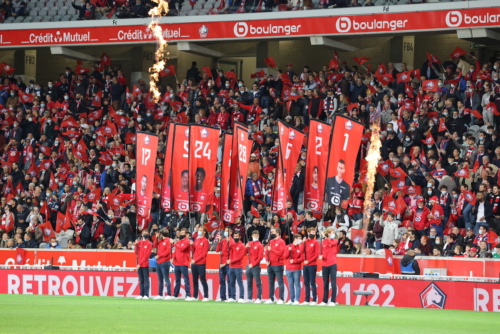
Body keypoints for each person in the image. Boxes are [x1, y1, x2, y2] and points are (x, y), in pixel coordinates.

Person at [265, 226, 285, 304]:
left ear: (277, 233)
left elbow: (281, 253)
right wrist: (267, 260)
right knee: (270, 282)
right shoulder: (270, 242)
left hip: (278, 264)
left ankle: (281, 298)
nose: (271, 233)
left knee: (280, 281)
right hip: (270, 264)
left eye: (273, 232)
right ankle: (271, 298)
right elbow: (267, 252)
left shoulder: (281, 242)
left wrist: (272, 250)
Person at [319, 228, 339, 306]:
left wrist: (324, 237)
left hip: (332, 264)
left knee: (333, 283)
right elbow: (323, 251)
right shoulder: (323, 242)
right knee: (325, 283)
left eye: (333, 232)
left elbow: (331, 243)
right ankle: (324, 300)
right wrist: (322, 256)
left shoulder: (335, 241)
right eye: (331, 232)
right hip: (325, 264)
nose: (333, 234)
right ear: (328, 233)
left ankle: (333, 301)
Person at [191, 225, 210, 301]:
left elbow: (204, 253)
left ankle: (206, 296)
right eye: (199, 229)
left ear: (204, 232)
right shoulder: (196, 240)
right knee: (194, 280)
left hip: (201, 263)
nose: (199, 231)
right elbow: (193, 250)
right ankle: (195, 296)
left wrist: (195, 260)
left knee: (203, 279)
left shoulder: (205, 241)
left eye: (201, 230)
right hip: (194, 263)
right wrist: (191, 245)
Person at [173, 228, 192, 300]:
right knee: (177, 280)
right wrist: (173, 258)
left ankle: (188, 295)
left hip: (184, 263)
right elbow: (176, 251)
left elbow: (182, 249)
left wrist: (174, 244)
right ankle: (175, 295)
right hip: (177, 263)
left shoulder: (187, 241)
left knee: (186, 279)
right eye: (181, 233)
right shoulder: (178, 242)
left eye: (183, 233)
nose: (181, 234)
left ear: (186, 234)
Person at [302, 227, 319, 305]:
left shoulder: (315, 242)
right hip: (305, 265)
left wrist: (309, 261)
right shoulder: (305, 242)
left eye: (314, 232)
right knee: (306, 282)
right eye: (312, 232)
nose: (313, 234)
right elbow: (301, 251)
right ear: (308, 233)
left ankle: (314, 299)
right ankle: (307, 299)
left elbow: (316, 254)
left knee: (312, 282)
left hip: (312, 264)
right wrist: (303, 242)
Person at [285, 233, 304, 305]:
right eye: (299, 239)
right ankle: (291, 299)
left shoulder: (301, 247)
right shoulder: (288, 246)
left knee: (297, 284)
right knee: (290, 285)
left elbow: (302, 258)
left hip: (297, 268)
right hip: (288, 268)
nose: (300, 240)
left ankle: (297, 299)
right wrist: (289, 251)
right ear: (295, 239)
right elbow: (285, 256)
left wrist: (295, 261)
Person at [246, 230, 264, 303]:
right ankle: (249, 298)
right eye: (254, 235)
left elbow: (260, 257)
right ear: (252, 236)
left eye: (257, 235)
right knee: (249, 283)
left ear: (258, 236)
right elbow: (244, 253)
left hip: (255, 266)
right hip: (248, 265)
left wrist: (253, 264)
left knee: (258, 282)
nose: (256, 236)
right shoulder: (249, 243)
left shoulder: (260, 245)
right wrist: (245, 247)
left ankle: (258, 298)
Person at [227, 231, 245, 303]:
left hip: (238, 267)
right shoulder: (232, 244)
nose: (236, 238)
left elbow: (240, 257)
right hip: (231, 267)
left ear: (240, 237)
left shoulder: (242, 245)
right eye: (234, 236)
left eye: (237, 236)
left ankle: (241, 297)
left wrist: (231, 261)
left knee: (239, 282)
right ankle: (232, 297)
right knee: (231, 282)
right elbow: (226, 249)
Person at [155, 229, 173, 300]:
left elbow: (168, 251)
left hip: (165, 261)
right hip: (159, 262)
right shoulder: (160, 241)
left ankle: (169, 294)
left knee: (166, 278)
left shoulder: (168, 240)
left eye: (159, 234)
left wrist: (160, 255)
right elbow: (154, 245)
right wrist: (156, 238)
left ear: (162, 234)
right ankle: (160, 294)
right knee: (160, 279)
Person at [216, 226, 232, 302]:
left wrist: (225, 263)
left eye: (227, 231)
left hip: (228, 263)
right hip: (221, 262)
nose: (225, 232)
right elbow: (217, 250)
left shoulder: (232, 241)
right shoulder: (222, 241)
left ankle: (230, 297)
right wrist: (219, 242)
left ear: (231, 232)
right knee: (222, 280)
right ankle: (222, 297)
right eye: (225, 230)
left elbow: (231, 253)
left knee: (229, 280)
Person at [134, 231, 152, 300]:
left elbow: (146, 256)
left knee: (146, 279)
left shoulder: (149, 244)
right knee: (141, 280)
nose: (144, 235)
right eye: (143, 233)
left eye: (146, 233)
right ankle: (141, 294)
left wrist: (139, 264)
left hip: (144, 264)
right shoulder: (139, 243)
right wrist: (136, 245)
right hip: (139, 264)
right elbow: (136, 252)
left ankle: (146, 294)